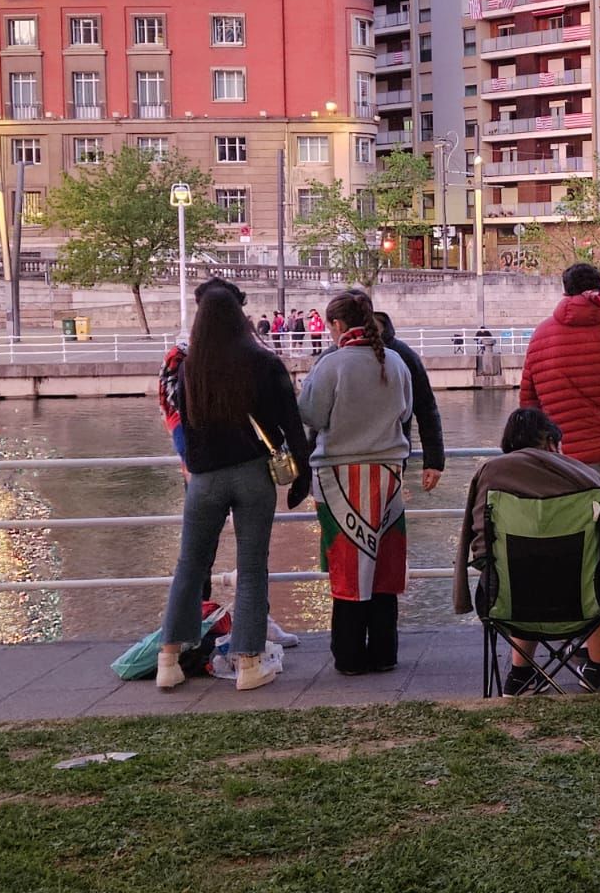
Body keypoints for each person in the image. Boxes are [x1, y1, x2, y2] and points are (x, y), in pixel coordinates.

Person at [154, 283, 311, 693]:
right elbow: (292, 424)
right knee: (252, 566)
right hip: (252, 474)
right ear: (241, 317)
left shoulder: (189, 368)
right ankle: (249, 663)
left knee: (190, 564)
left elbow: (185, 428)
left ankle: (168, 659)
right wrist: (302, 476)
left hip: (204, 479)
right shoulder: (263, 362)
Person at [455, 408, 600, 695]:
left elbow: (478, 543)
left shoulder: (489, 474)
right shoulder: (586, 477)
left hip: (509, 602)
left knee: (517, 568)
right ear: (550, 442)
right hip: (584, 603)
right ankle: (597, 670)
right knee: (599, 567)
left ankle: (520, 674)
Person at [296, 290, 413, 675]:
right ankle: (384, 652)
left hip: (339, 477)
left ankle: (348, 655)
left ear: (338, 325)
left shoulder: (331, 365)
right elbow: (408, 410)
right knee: (385, 568)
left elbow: (311, 415)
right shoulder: (395, 362)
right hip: (389, 475)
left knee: (348, 569)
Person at [519, 262, 600, 525]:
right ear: (599, 289)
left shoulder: (541, 336)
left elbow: (529, 403)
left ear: (565, 291)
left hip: (568, 458)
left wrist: (544, 452)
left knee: (577, 538)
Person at [375, 310, 446, 493]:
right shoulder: (404, 354)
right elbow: (427, 410)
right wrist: (434, 462)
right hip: (392, 456)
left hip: (381, 459)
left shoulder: (403, 355)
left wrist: (434, 461)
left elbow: (426, 409)